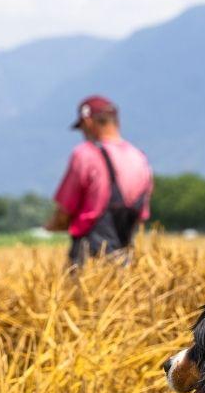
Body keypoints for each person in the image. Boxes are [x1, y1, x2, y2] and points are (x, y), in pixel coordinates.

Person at [45, 95, 153, 267]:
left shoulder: (85, 154)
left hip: (90, 254)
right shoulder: (139, 157)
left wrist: (52, 225)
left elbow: (66, 208)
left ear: (88, 122)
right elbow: (141, 215)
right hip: (125, 253)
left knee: (79, 291)